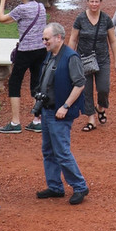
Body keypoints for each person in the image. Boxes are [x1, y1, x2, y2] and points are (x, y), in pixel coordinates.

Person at [34, 22, 89, 205]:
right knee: (48, 151)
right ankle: (55, 186)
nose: (44, 42)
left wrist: (65, 106)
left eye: (47, 39)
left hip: (60, 113)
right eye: (43, 39)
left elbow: (80, 84)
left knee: (62, 152)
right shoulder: (50, 56)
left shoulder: (71, 57)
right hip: (48, 110)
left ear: (59, 37)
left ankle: (80, 186)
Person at [67, 0, 116, 132]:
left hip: (102, 59)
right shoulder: (80, 19)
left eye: (97, 1)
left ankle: (101, 108)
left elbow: (113, 40)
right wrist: (69, 58)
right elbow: (73, 39)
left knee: (104, 88)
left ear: (101, 3)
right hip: (83, 59)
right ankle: (91, 118)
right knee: (86, 90)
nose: (94, 4)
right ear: (87, 2)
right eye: (92, 1)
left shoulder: (106, 19)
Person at [0, 0, 46, 134]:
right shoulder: (41, 7)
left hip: (25, 52)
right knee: (36, 83)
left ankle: (15, 122)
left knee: (14, 83)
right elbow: (29, 3)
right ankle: (37, 120)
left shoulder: (21, 9)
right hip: (41, 50)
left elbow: (1, 19)